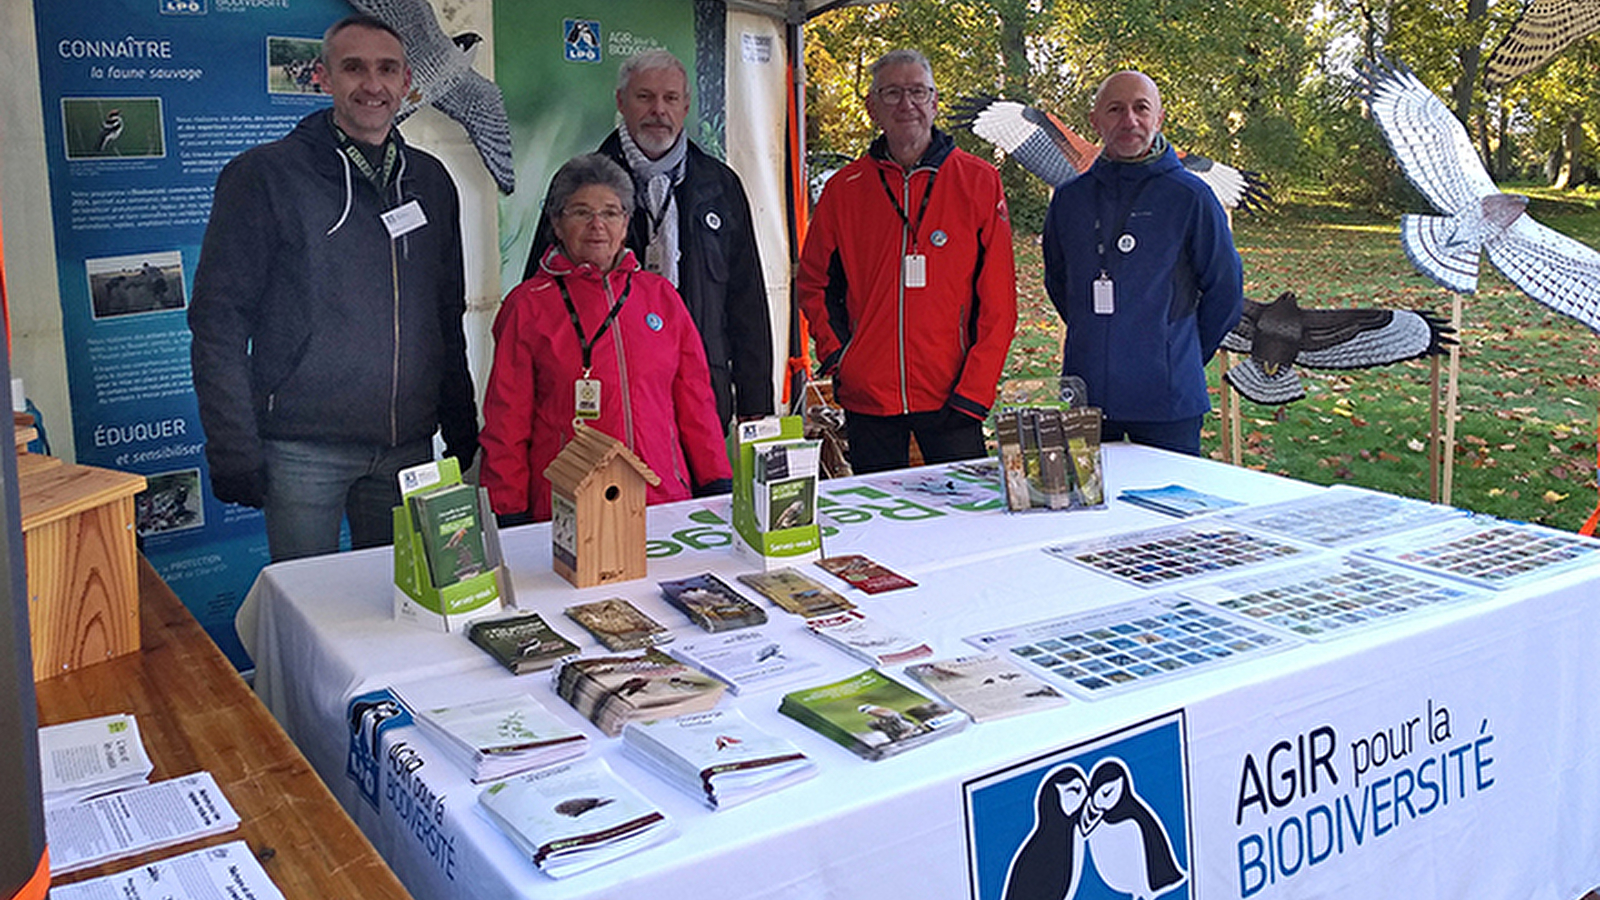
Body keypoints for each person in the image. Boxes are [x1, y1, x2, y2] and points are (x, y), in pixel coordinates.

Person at [190, 14, 478, 562]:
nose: (372, 85)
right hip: (302, 451)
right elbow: (218, 322)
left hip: (408, 449)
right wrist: (233, 447)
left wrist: (460, 423)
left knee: (399, 601)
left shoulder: (431, 181)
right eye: (354, 68)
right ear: (323, 78)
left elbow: (447, 313)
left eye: (387, 69)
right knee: (309, 601)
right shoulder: (264, 176)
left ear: (407, 81)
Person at [522, 50, 774, 429]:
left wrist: (756, 398)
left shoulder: (720, 185)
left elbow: (746, 298)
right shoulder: (581, 183)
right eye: (644, 97)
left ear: (685, 106)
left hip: (703, 394)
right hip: (610, 401)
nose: (659, 110)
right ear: (620, 102)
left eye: (670, 98)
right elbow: (540, 291)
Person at [797, 48, 1017, 475]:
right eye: (892, 93)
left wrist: (976, 387)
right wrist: (841, 359)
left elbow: (999, 302)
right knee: (878, 513)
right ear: (872, 107)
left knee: (963, 511)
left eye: (917, 92)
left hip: (954, 394)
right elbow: (813, 283)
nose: (906, 104)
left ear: (934, 102)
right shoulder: (845, 188)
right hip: (870, 396)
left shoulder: (978, 181)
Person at [481, 153, 731, 523]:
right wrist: (507, 509)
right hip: (570, 508)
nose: (597, 224)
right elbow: (507, 421)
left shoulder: (660, 297)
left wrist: (716, 481)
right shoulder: (527, 306)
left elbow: (696, 402)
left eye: (611, 212)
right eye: (581, 212)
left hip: (663, 501)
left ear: (626, 224)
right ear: (557, 223)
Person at [1042, 70, 1244, 456]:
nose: (1129, 120)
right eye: (1115, 110)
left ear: (1159, 118)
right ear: (1095, 121)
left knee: (1169, 496)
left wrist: (1179, 352)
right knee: (1092, 496)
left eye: (1141, 108)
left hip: (1168, 397)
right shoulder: (1070, 199)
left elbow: (1226, 292)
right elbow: (1060, 282)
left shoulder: (1191, 197)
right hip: (1089, 393)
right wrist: (1097, 333)